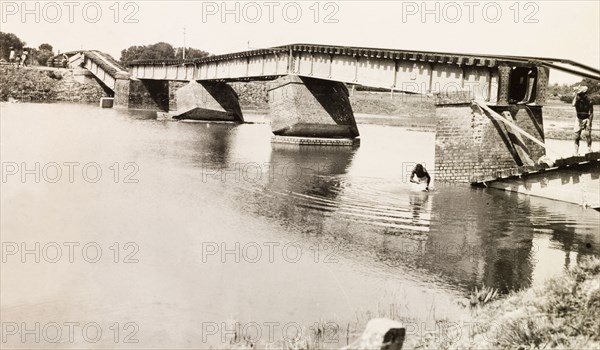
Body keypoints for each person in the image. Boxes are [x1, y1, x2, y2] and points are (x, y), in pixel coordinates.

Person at [572, 86, 594, 156]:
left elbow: (591, 113)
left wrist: (589, 123)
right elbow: (573, 104)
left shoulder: (589, 100)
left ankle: (589, 149)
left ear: (585, 94)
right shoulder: (577, 99)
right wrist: (576, 94)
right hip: (578, 119)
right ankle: (576, 152)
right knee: (576, 136)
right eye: (579, 94)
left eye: (581, 94)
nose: (580, 95)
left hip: (586, 118)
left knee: (587, 134)